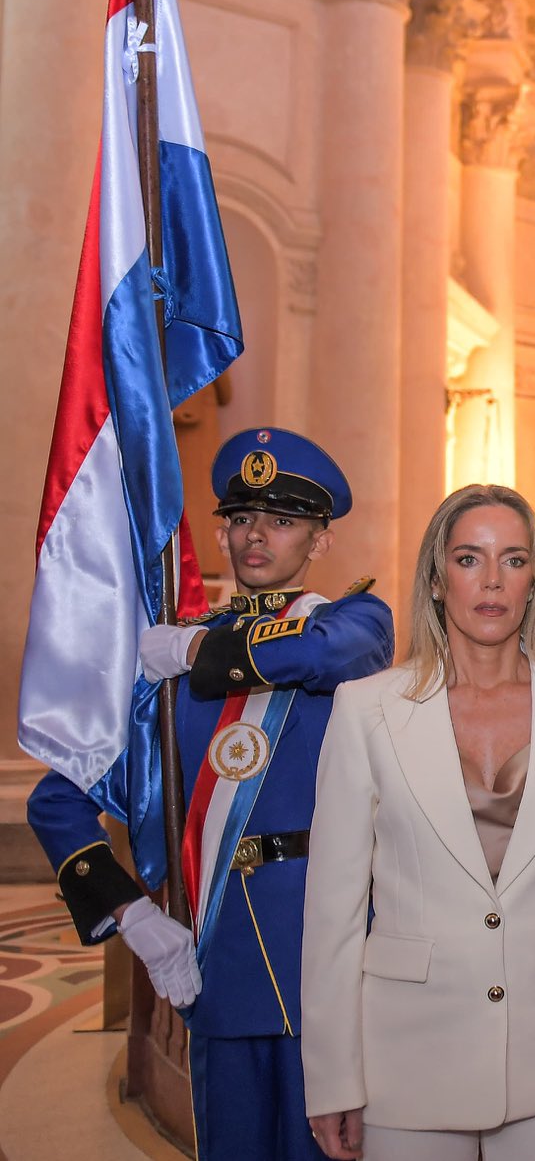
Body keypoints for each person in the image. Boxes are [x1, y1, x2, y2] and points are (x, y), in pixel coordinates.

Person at [25, 427, 393, 1161]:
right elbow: (56, 800)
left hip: (329, 950)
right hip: (216, 956)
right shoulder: (165, 670)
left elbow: (319, 655)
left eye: (282, 521)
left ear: (319, 541)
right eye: (242, 519)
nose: (256, 537)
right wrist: (134, 917)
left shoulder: (349, 622)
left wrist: (194, 651)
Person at [299, 485, 535, 1160]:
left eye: (513, 561)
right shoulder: (366, 710)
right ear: (435, 579)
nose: (491, 581)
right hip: (406, 1053)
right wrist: (332, 1076)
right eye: (468, 559)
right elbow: (332, 911)